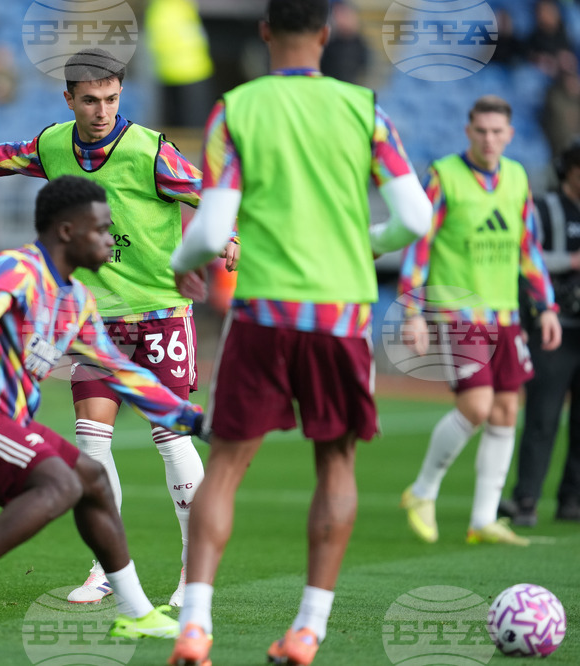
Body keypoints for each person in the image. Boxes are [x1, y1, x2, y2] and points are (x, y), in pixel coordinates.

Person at [0, 47, 238, 607]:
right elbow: (4, 157)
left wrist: (226, 237)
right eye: (90, 100)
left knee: (171, 439)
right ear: (69, 100)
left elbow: (205, 196)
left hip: (160, 310)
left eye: (112, 99)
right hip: (94, 318)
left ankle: (194, 571)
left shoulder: (150, 150)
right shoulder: (53, 144)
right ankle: (106, 567)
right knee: (92, 447)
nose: (102, 111)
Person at [166, 0, 432, 663]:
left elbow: (207, 228)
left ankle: (195, 625)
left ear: (263, 34)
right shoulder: (365, 111)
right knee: (336, 464)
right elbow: (416, 217)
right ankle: (307, 630)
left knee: (225, 467)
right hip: (340, 315)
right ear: (325, 33)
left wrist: (182, 267)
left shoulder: (238, 107)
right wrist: (366, 242)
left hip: (264, 312)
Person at [0, 175, 203, 644]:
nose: (111, 239)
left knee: (93, 480)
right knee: (63, 482)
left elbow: (122, 372)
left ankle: (136, 612)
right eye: (102, 228)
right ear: (67, 231)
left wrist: (191, 419)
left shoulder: (77, 301)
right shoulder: (18, 268)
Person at [398, 96, 562, 552]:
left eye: (498, 132)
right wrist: (414, 312)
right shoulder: (443, 176)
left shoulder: (517, 177)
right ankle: (423, 491)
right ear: (468, 131)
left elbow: (527, 246)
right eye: (481, 131)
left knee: (507, 412)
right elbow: (420, 243)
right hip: (461, 312)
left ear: (509, 135)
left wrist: (545, 305)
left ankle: (483, 519)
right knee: (477, 407)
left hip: (507, 313)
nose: (489, 139)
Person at [500, 143, 580, 526]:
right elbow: (523, 253)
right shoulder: (545, 208)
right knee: (542, 416)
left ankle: (572, 500)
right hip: (555, 328)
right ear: (568, 169)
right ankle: (526, 498)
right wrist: (570, 261)